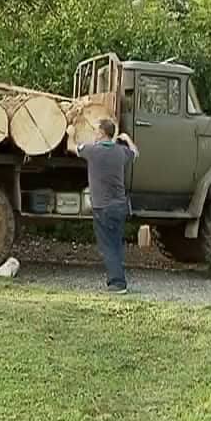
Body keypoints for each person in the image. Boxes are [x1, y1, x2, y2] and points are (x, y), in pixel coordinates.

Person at [70, 119, 138, 294]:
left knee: (107, 245)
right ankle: (116, 280)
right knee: (115, 243)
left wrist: (70, 133)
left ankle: (117, 283)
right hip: (120, 206)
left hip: (103, 208)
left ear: (101, 133)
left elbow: (72, 147)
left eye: (96, 131)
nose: (94, 134)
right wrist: (127, 138)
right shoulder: (120, 152)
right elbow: (135, 152)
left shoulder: (93, 151)